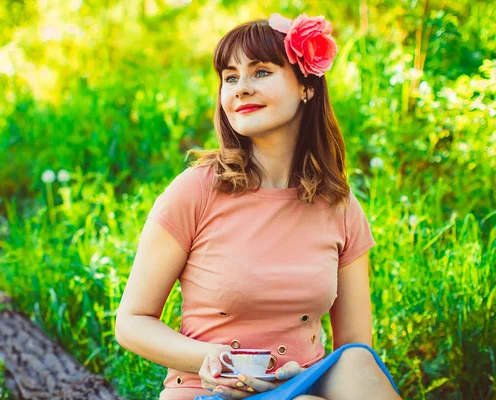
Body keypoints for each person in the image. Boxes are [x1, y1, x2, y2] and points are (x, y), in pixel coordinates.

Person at [115, 11, 402, 400]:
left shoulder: (339, 205)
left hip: (299, 386)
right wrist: (211, 358)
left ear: (307, 87)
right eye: (230, 78)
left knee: (351, 364)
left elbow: (354, 348)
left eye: (261, 72)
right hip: (210, 392)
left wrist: (296, 375)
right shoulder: (195, 191)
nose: (241, 88)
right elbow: (131, 322)